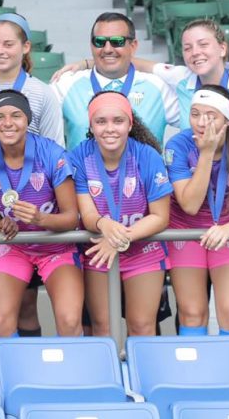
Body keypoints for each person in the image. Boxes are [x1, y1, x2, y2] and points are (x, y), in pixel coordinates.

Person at [0, 90, 83, 338]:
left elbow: (72, 218)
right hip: (14, 246)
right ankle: (15, 365)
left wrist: (41, 219)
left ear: (27, 119)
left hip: (56, 246)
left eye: (16, 115)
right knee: (0, 323)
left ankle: (65, 364)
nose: (7, 123)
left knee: (70, 321)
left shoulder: (52, 153)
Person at [164, 86, 229, 336]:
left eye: (211, 116)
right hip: (185, 230)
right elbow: (189, 205)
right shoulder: (178, 145)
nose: (201, 123)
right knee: (192, 313)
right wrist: (206, 153)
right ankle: (193, 362)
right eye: (195, 114)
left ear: (227, 119)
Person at [71, 91, 173, 336]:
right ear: (90, 125)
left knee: (142, 326)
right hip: (98, 249)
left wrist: (117, 239)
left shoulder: (147, 156)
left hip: (142, 249)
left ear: (130, 124)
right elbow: (87, 213)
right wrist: (103, 224)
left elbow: (160, 217)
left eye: (118, 121)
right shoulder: (79, 156)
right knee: (103, 327)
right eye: (101, 121)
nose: (110, 128)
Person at [55, 19, 229, 126]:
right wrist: (88, 62)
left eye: (203, 44)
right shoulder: (182, 78)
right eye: (187, 48)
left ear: (223, 48)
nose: (195, 52)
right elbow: (136, 62)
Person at [53, 12, 179, 149]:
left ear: (133, 46)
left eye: (117, 41)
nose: (107, 49)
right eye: (99, 42)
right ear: (91, 45)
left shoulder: (158, 87)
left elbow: (194, 121)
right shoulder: (66, 85)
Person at [0, 13, 63, 143]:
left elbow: (54, 148)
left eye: (8, 44)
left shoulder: (43, 94)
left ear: (25, 47)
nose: (0, 51)